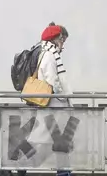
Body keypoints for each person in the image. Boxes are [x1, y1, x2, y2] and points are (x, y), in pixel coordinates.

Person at [18, 22, 73, 176]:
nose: (63, 45)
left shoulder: (45, 52)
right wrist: (63, 96)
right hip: (53, 108)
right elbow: (52, 81)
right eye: (62, 41)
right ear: (57, 39)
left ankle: (18, 167)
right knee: (50, 143)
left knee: (56, 142)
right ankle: (16, 166)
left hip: (52, 108)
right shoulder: (49, 54)